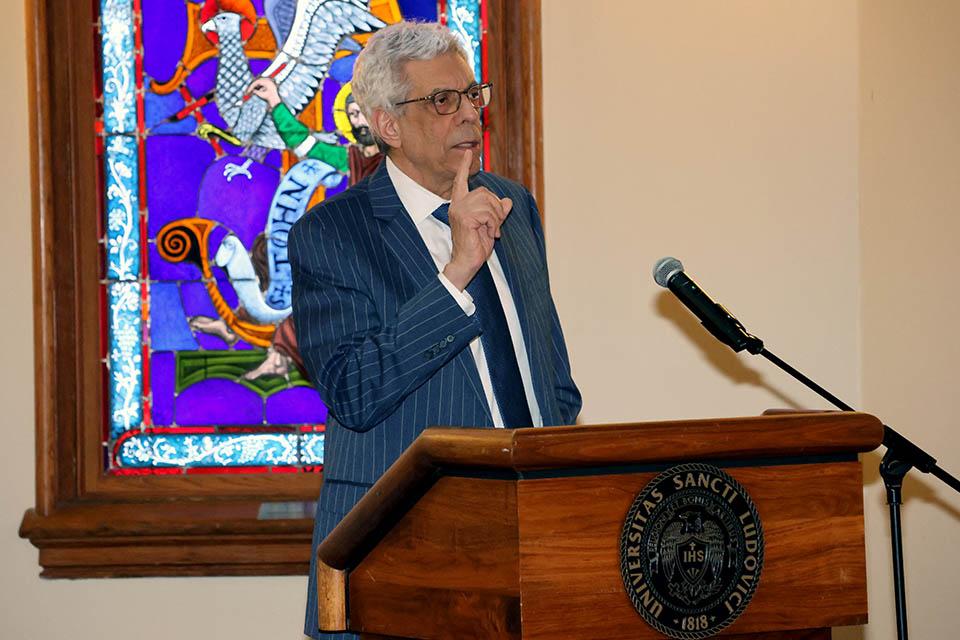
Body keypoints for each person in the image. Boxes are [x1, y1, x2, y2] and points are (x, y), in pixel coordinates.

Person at [289, 21, 581, 639]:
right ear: (387, 125)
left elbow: (548, 374)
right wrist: (456, 275)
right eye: (443, 101)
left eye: (473, 95)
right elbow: (354, 391)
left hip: (536, 539)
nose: (469, 114)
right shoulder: (333, 234)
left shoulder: (513, 206)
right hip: (405, 553)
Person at [248, 77, 382, 186]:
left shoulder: (396, 156)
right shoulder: (349, 157)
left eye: (365, 112)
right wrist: (274, 99)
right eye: (353, 114)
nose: (360, 121)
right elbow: (302, 141)